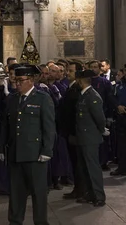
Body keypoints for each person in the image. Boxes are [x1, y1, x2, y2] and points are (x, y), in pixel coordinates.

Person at [0, 65, 55, 225]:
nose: (17, 84)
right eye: (15, 80)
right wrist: (1, 147)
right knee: (16, 192)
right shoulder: (12, 99)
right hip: (15, 152)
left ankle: (40, 221)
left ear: (31, 80)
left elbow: (49, 127)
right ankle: (15, 221)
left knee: (38, 192)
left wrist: (47, 150)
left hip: (34, 154)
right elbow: (5, 125)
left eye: (20, 81)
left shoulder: (42, 98)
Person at [74, 69, 107, 206]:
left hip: (90, 138)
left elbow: (100, 118)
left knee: (93, 168)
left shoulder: (92, 96)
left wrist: (101, 130)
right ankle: (89, 194)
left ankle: (99, 196)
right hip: (82, 137)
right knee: (84, 168)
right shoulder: (83, 95)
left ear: (80, 81)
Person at [60, 61, 84, 199]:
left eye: (70, 71)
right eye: (67, 71)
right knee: (74, 162)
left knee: (78, 162)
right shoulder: (71, 87)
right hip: (70, 132)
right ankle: (78, 188)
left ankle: (81, 189)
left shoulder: (77, 89)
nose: (67, 73)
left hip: (75, 132)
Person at [112, 70, 126, 176]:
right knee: (121, 144)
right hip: (121, 117)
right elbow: (113, 98)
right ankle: (122, 167)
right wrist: (118, 106)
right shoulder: (119, 84)